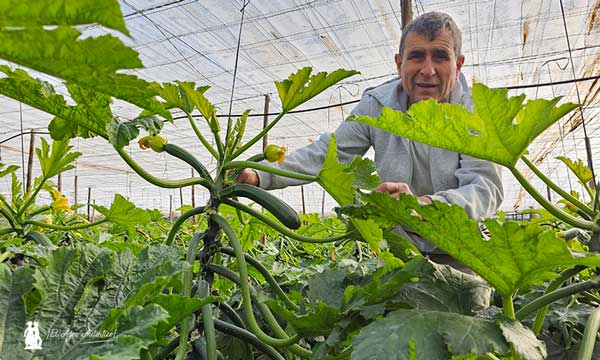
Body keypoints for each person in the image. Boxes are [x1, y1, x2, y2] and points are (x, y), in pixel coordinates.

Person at [237, 12, 503, 271]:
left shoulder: (476, 112)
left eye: (441, 57)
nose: (428, 70)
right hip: (402, 250)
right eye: (417, 56)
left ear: (458, 65)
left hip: (464, 252)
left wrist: (425, 207)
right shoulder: (377, 104)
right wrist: (258, 175)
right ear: (399, 64)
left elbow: (485, 188)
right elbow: (327, 154)